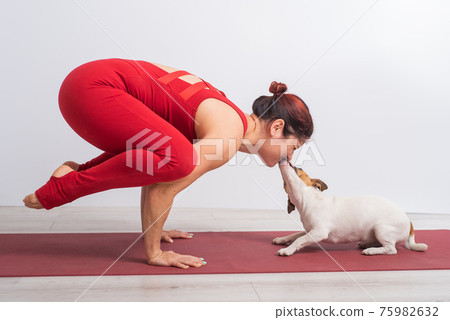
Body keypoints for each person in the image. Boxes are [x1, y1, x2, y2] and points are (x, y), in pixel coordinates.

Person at [23, 58, 314, 269]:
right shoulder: (227, 135)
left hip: (84, 85)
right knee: (181, 159)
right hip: (92, 89)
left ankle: (75, 172)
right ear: (276, 128)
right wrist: (155, 253)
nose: (290, 156)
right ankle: (62, 188)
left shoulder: (228, 119)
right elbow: (163, 188)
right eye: (293, 146)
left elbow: (155, 172)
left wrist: (155, 223)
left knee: (174, 155)